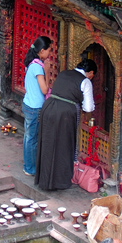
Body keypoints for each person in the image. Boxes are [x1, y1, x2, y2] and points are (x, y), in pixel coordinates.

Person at [35, 58, 96, 191]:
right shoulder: (85, 81)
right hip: (64, 114)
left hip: (48, 107)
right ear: (90, 72)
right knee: (62, 147)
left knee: (47, 144)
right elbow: (88, 107)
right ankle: (58, 182)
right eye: (92, 75)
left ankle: (44, 179)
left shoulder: (64, 73)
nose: (91, 78)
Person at [22, 36, 53, 177]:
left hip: (28, 103)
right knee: (32, 138)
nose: (49, 54)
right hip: (34, 107)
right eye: (48, 50)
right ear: (41, 51)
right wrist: (47, 71)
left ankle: (29, 165)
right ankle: (30, 168)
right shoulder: (38, 67)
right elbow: (45, 90)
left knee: (28, 136)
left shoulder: (31, 63)